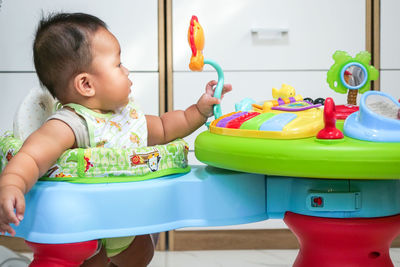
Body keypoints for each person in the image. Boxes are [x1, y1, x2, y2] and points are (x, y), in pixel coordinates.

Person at [0, 12, 231, 266]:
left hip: (127, 219)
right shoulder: (71, 123)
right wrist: (12, 184)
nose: (126, 70)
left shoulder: (126, 117)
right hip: (85, 223)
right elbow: (31, 156)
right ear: (86, 85)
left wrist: (199, 111)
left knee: (141, 255)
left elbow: (165, 128)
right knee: (89, 259)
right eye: (118, 64)